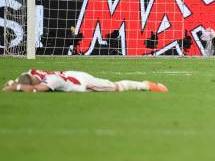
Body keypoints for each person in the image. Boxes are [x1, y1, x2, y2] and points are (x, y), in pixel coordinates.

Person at [3, 69, 168, 93]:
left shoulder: (52, 80)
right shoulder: (32, 72)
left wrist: (14, 86)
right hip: (72, 74)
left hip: (82, 82)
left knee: (115, 87)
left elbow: (37, 90)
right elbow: (26, 78)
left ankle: (145, 85)